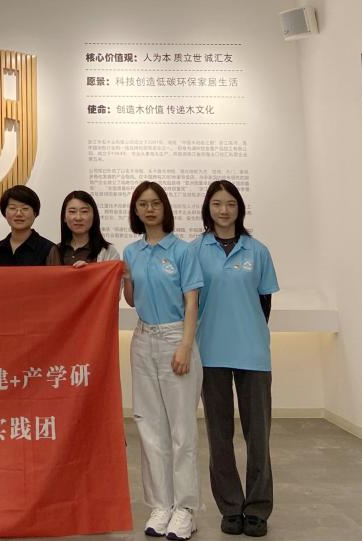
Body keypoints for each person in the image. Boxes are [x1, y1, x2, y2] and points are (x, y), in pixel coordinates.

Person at [193, 180, 278, 538]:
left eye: (230, 203)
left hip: (253, 353)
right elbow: (189, 301)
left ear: (239, 208)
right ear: (208, 208)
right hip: (210, 352)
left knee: (258, 435)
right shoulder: (195, 250)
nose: (224, 210)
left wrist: (248, 330)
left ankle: (257, 508)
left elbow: (264, 302)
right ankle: (230, 507)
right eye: (217, 203)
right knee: (219, 435)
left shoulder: (257, 251)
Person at [122, 181, 203, 541]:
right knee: (149, 426)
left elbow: (191, 303)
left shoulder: (183, 250)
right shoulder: (132, 251)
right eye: (143, 204)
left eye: (155, 203)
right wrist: (126, 279)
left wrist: (185, 345)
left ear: (165, 208)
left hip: (175, 338)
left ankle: (185, 509)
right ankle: (160, 505)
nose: (150, 209)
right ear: (135, 211)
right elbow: (131, 299)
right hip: (143, 339)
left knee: (181, 430)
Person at [46, 190, 120, 266]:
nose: (78, 218)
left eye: (84, 211)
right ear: (64, 217)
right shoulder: (55, 251)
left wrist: (89, 271)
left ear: (94, 216)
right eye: (72, 211)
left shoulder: (108, 252)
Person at [0, 185, 54, 266]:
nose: (19, 214)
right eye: (12, 208)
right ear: (4, 213)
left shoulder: (48, 249)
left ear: (35, 213)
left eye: (25, 208)